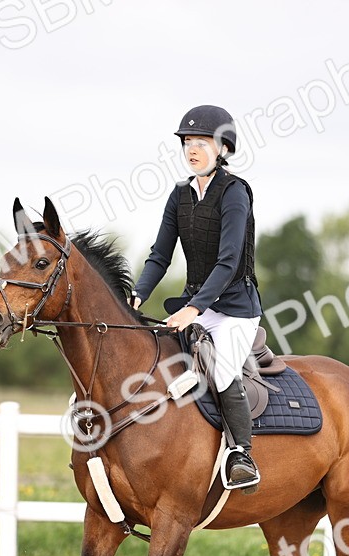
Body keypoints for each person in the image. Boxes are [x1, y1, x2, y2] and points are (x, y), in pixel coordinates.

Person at [132, 104, 263, 492]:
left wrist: (193, 308)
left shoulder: (235, 193)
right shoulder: (179, 195)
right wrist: (136, 296)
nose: (191, 148)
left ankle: (242, 454)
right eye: (187, 141)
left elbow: (228, 262)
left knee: (222, 372)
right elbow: (160, 255)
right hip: (197, 308)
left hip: (236, 311)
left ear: (222, 148)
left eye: (201, 142)